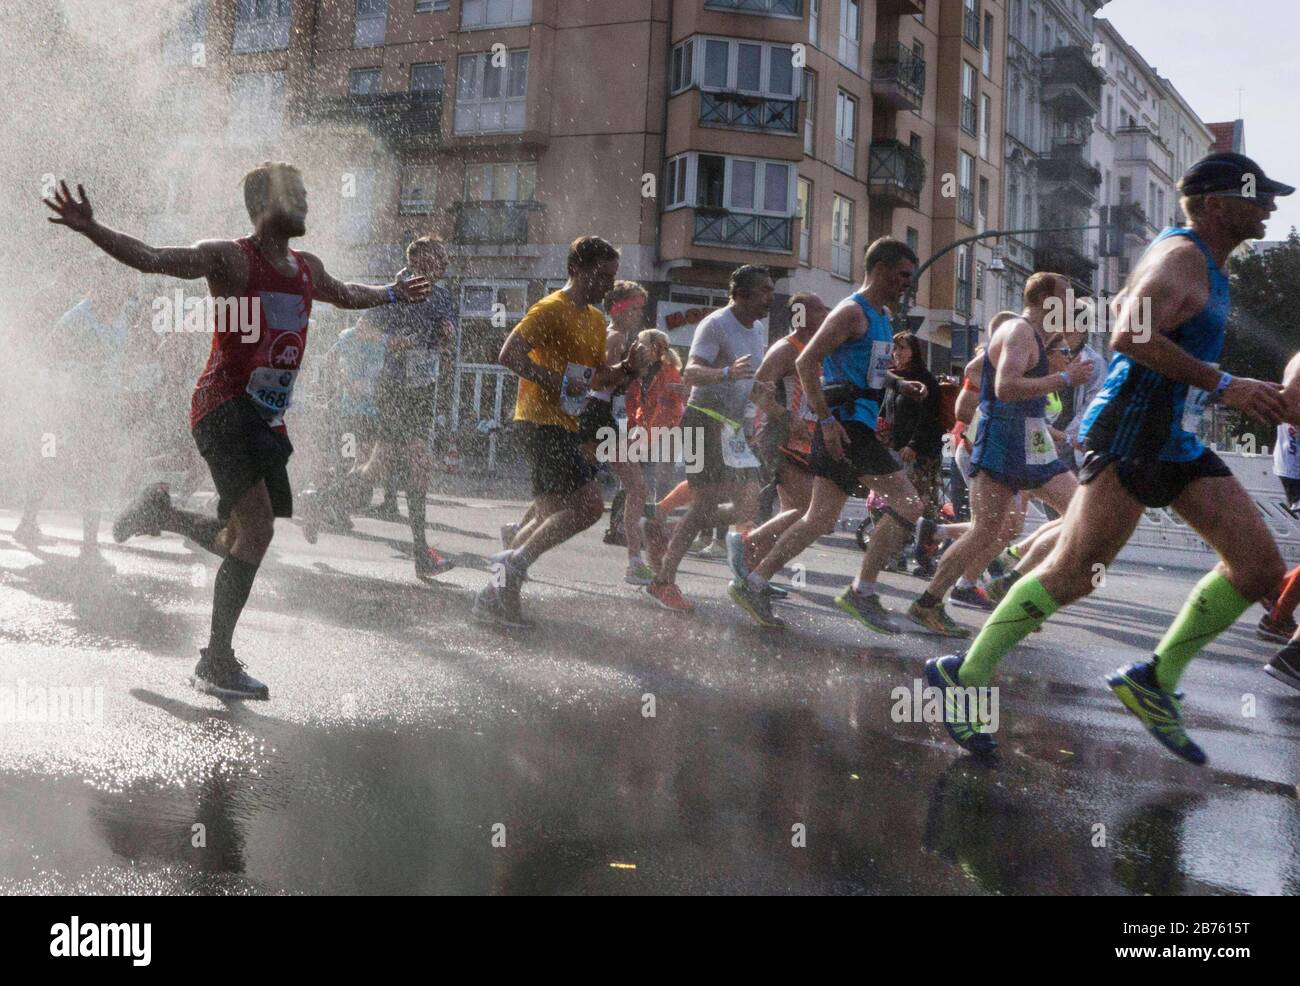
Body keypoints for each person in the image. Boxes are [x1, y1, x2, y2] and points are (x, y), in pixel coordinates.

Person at [927, 152, 1295, 762]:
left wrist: (1239, 389)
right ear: (1213, 204)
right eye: (1257, 197)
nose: (1271, 208)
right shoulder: (1181, 257)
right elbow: (1128, 332)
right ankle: (965, 675)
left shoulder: (1203, 262)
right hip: (1128, 433)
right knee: (1073, 572)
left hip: (1170, 440)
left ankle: (1154, 680)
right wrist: (1224, 383)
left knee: (1257, 567)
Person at [44, 164, 432, 700]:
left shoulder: (305, 268)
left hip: (266, 418)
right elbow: (155, 259)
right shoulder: (230, 257)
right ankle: (216, 661)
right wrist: (93, 229)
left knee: (238, 537)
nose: (306, 203)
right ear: (264, 204)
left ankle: (165, 513)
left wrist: (391, 293)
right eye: (295, 195)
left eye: (305, 193)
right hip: (224, 406)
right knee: (259, 532)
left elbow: (344, 293)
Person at [727, 238, 927, 631]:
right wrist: (827, 421)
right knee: (910, 505)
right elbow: (806, 361)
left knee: (818, 518)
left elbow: (866, 371)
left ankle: (753, 581)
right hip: (846, 427)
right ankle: (861, 591)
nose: (909, 282)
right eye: (904, 275)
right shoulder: (851, 312)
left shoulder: (882, 316)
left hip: (853, 425)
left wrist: (899, 385)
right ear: (882, 268)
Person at [903, 274, 1091, 636]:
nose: (1071, 305)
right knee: (984, 530)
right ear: (1047, 299)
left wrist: (1063, 350)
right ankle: (928, 603)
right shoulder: (1019, 333)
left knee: (1081, 511)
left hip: (1031, 442)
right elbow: (1005, 387)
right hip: (1003, 441)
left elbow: (1015, 371)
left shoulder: (1036, 335)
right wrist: (1065, 379)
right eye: (1067, 297)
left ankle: (1010, 580)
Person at [473, 236, 646, 627]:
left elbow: (598, 377)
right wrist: (557, 382)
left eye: (612, 277)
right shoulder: (550, 309)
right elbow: (508, 354)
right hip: (539, 420)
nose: (607, 285)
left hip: (567, 421)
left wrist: (630, 369)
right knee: (588, 507)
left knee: (548, 515)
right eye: (601, 275)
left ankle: (494, 595)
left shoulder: (595, 320)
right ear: (575, 270)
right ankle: (513, 564)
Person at [305, 235, 457, 580]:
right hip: (395, 389)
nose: (444, 263)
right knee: (419, 464)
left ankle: (320, 501)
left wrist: (447, 335)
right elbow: (363, 328)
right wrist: (394, 341)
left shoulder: (443, 294)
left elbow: (446, 338)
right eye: (438, 257)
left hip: (423, 388)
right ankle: (422, 553)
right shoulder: (398, 289)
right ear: (419, 259)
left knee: (375, 470)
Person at [641, 266, 775, 613]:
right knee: (704, 507)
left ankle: (665, 522)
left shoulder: (757, 328)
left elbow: (746, 381)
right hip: (702, 421)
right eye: (764, 291)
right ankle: (663, 581)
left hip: (730, 428)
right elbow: (691, 372)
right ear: (741, 294)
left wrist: (760, 394)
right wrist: (728, 373)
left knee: (749, 504)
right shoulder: (715, 324)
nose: (770, 298)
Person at [725, 293, 828, 592]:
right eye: (819, 309)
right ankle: (745, 546)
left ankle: (756, 575)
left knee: (793, 511)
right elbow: (756, 391)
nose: (825, 313)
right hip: (780, 438)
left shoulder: (815, 347)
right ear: (801, 315)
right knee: (808, 511)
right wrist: (789, 418)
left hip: (804, 440)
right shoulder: (786, 349)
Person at [576, 281, 657, 584]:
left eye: (641, 309)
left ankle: (635, 563)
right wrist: (634, 372)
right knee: (632, 489)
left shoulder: (620, 336)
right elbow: (601, 382)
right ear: (619, 309)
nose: (639, 315)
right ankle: (634, 564)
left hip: (605, 416)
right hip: (598, 416)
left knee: (633, 488)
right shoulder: (614, 338)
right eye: (635, 308)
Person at [883, 331, 944, 577]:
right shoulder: (894, 378)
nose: (898, 353)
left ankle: (925, 559)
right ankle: (896, 555)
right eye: (895, 349)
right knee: (899, 504)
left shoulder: (924, 379)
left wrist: (914, 445)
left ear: (915, 351)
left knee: (921, 507)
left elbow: (930, 417)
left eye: (904, 348)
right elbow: (889, 412)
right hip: (897, 450)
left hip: (921, 455)